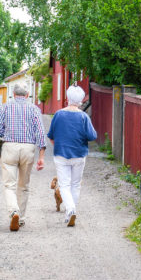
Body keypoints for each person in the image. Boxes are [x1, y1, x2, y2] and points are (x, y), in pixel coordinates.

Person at [0, 83, 46, 231]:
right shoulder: (34, 109)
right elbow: (41, 133)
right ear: (27, 95)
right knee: (24, 185)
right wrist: (41, 156)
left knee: (9, 185)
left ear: (13, 95)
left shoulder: (5, 107)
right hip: (28, 148)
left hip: (9, 147)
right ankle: (21, 219)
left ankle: (13, 212)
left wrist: (8, 134)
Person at [47, 85, 97, 227]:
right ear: (81, 100)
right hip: (79, 154)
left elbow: (51, 136)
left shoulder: (58, 114)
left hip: (61, 154)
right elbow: (92, 135)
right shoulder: (83, 117)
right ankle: (71, 212)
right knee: (75, 184)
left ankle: (70, 210)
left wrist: (59, 144)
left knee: (64, 185)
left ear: (67, 98)